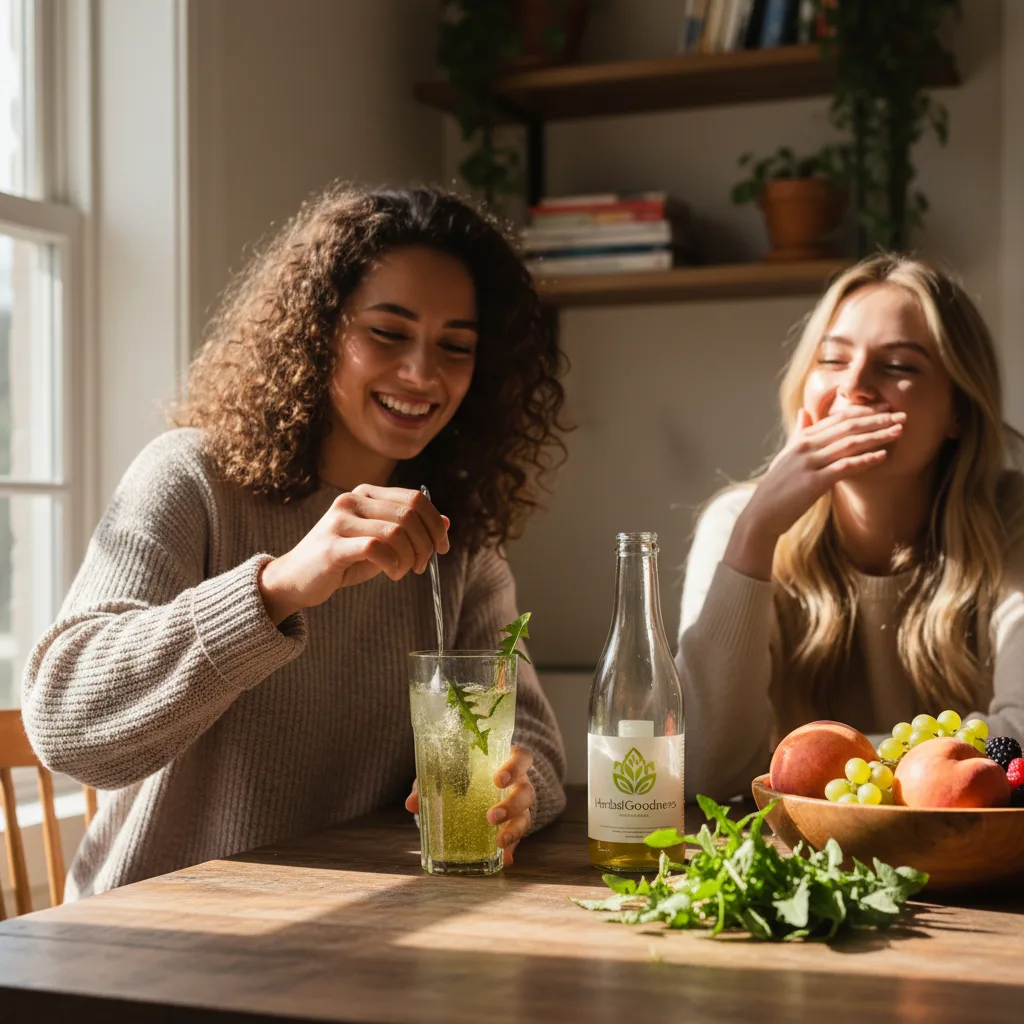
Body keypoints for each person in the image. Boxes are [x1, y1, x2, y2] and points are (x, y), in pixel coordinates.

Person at [22, 184, 569, 898]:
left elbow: (537, 750)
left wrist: (516, 790)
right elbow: (65, 726)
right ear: (319, 328)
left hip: (347, 935)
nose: (421, 373)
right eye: (387, 332)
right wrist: (276, 588)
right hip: (148, 945)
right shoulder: (191, 478)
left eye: (456, 347)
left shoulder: (452, 541)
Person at [677, 254, 1024, 801]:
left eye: (899, 367)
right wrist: (755, 534)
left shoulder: (1015, 522)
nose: (854, 387)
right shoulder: (739, 526)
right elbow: (703, 774)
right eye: (832, 360)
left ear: (957, 409)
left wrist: (817, 767)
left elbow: (1019, 746)